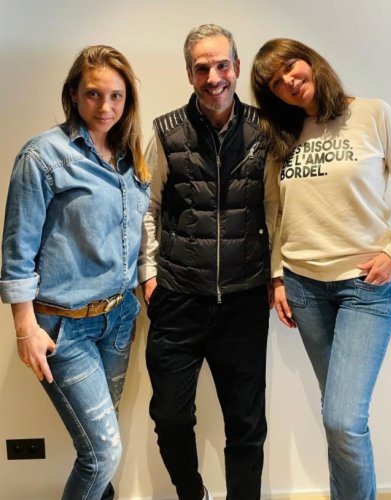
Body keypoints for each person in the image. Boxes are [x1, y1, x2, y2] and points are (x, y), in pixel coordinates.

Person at [251, 38, 391, 500]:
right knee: (336, 412)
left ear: (310, 60)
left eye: (290, 67)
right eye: (275, 83)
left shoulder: (372, 114)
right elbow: (276, 211)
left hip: (365, 286)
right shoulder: (284, 136)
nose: (288, 82)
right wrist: (277, 275)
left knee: (343, 418)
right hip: (304, 287)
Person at [0, 45, 150, 500]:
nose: (105, 107)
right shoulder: (44, 156)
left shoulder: (128, 157)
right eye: (93, 94)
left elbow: (137, 230)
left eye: (116, 96)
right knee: (102, 453)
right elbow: (17, 251)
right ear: (73, 95)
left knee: (102, 440)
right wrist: (25, 329)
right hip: (64, 329)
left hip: (118, 319)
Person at [138, 24, 272, 500]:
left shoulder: (265, 130)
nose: (213, 77)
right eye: (202, 68)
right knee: (170, 417)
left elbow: (276, 210)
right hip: (178, 299)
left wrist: (276, 278)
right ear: (189, 73)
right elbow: (148, 208)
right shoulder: (166, 131)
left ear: (236, 67)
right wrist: (149, 276)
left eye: (222, 65)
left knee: (246, 424)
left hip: (244, 299)